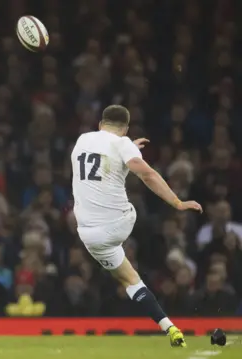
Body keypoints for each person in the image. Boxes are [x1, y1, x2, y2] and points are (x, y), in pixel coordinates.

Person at [70, 105, 203, 348]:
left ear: (100, 124)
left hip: (88, 234)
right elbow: (147, 174)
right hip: (120, 224)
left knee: (130, 281)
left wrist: (127, 145)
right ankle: (170, 326)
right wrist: (177, 202)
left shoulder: (83, 139)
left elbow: (106, 149)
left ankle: (169, 328)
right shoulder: (123, 145)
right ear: (126, 129)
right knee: (137, 205)